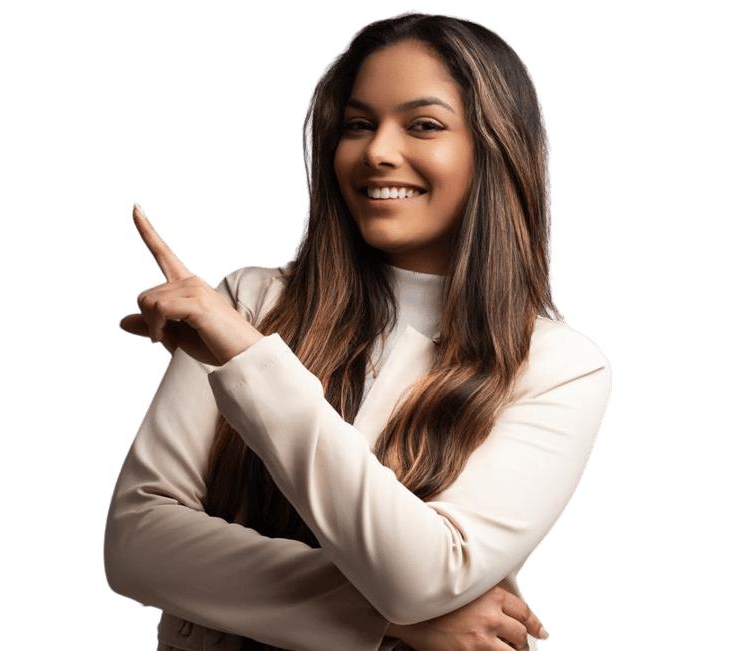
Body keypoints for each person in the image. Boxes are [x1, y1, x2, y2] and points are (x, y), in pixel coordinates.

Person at [104, 10, 612, 651]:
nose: (376, 152)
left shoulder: (560, 366)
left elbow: (422, 576)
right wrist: (388, 619)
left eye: (423, 125)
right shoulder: (248, 302)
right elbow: (137, 543)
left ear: (496, 148)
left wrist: (251, 360)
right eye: (358, 125)